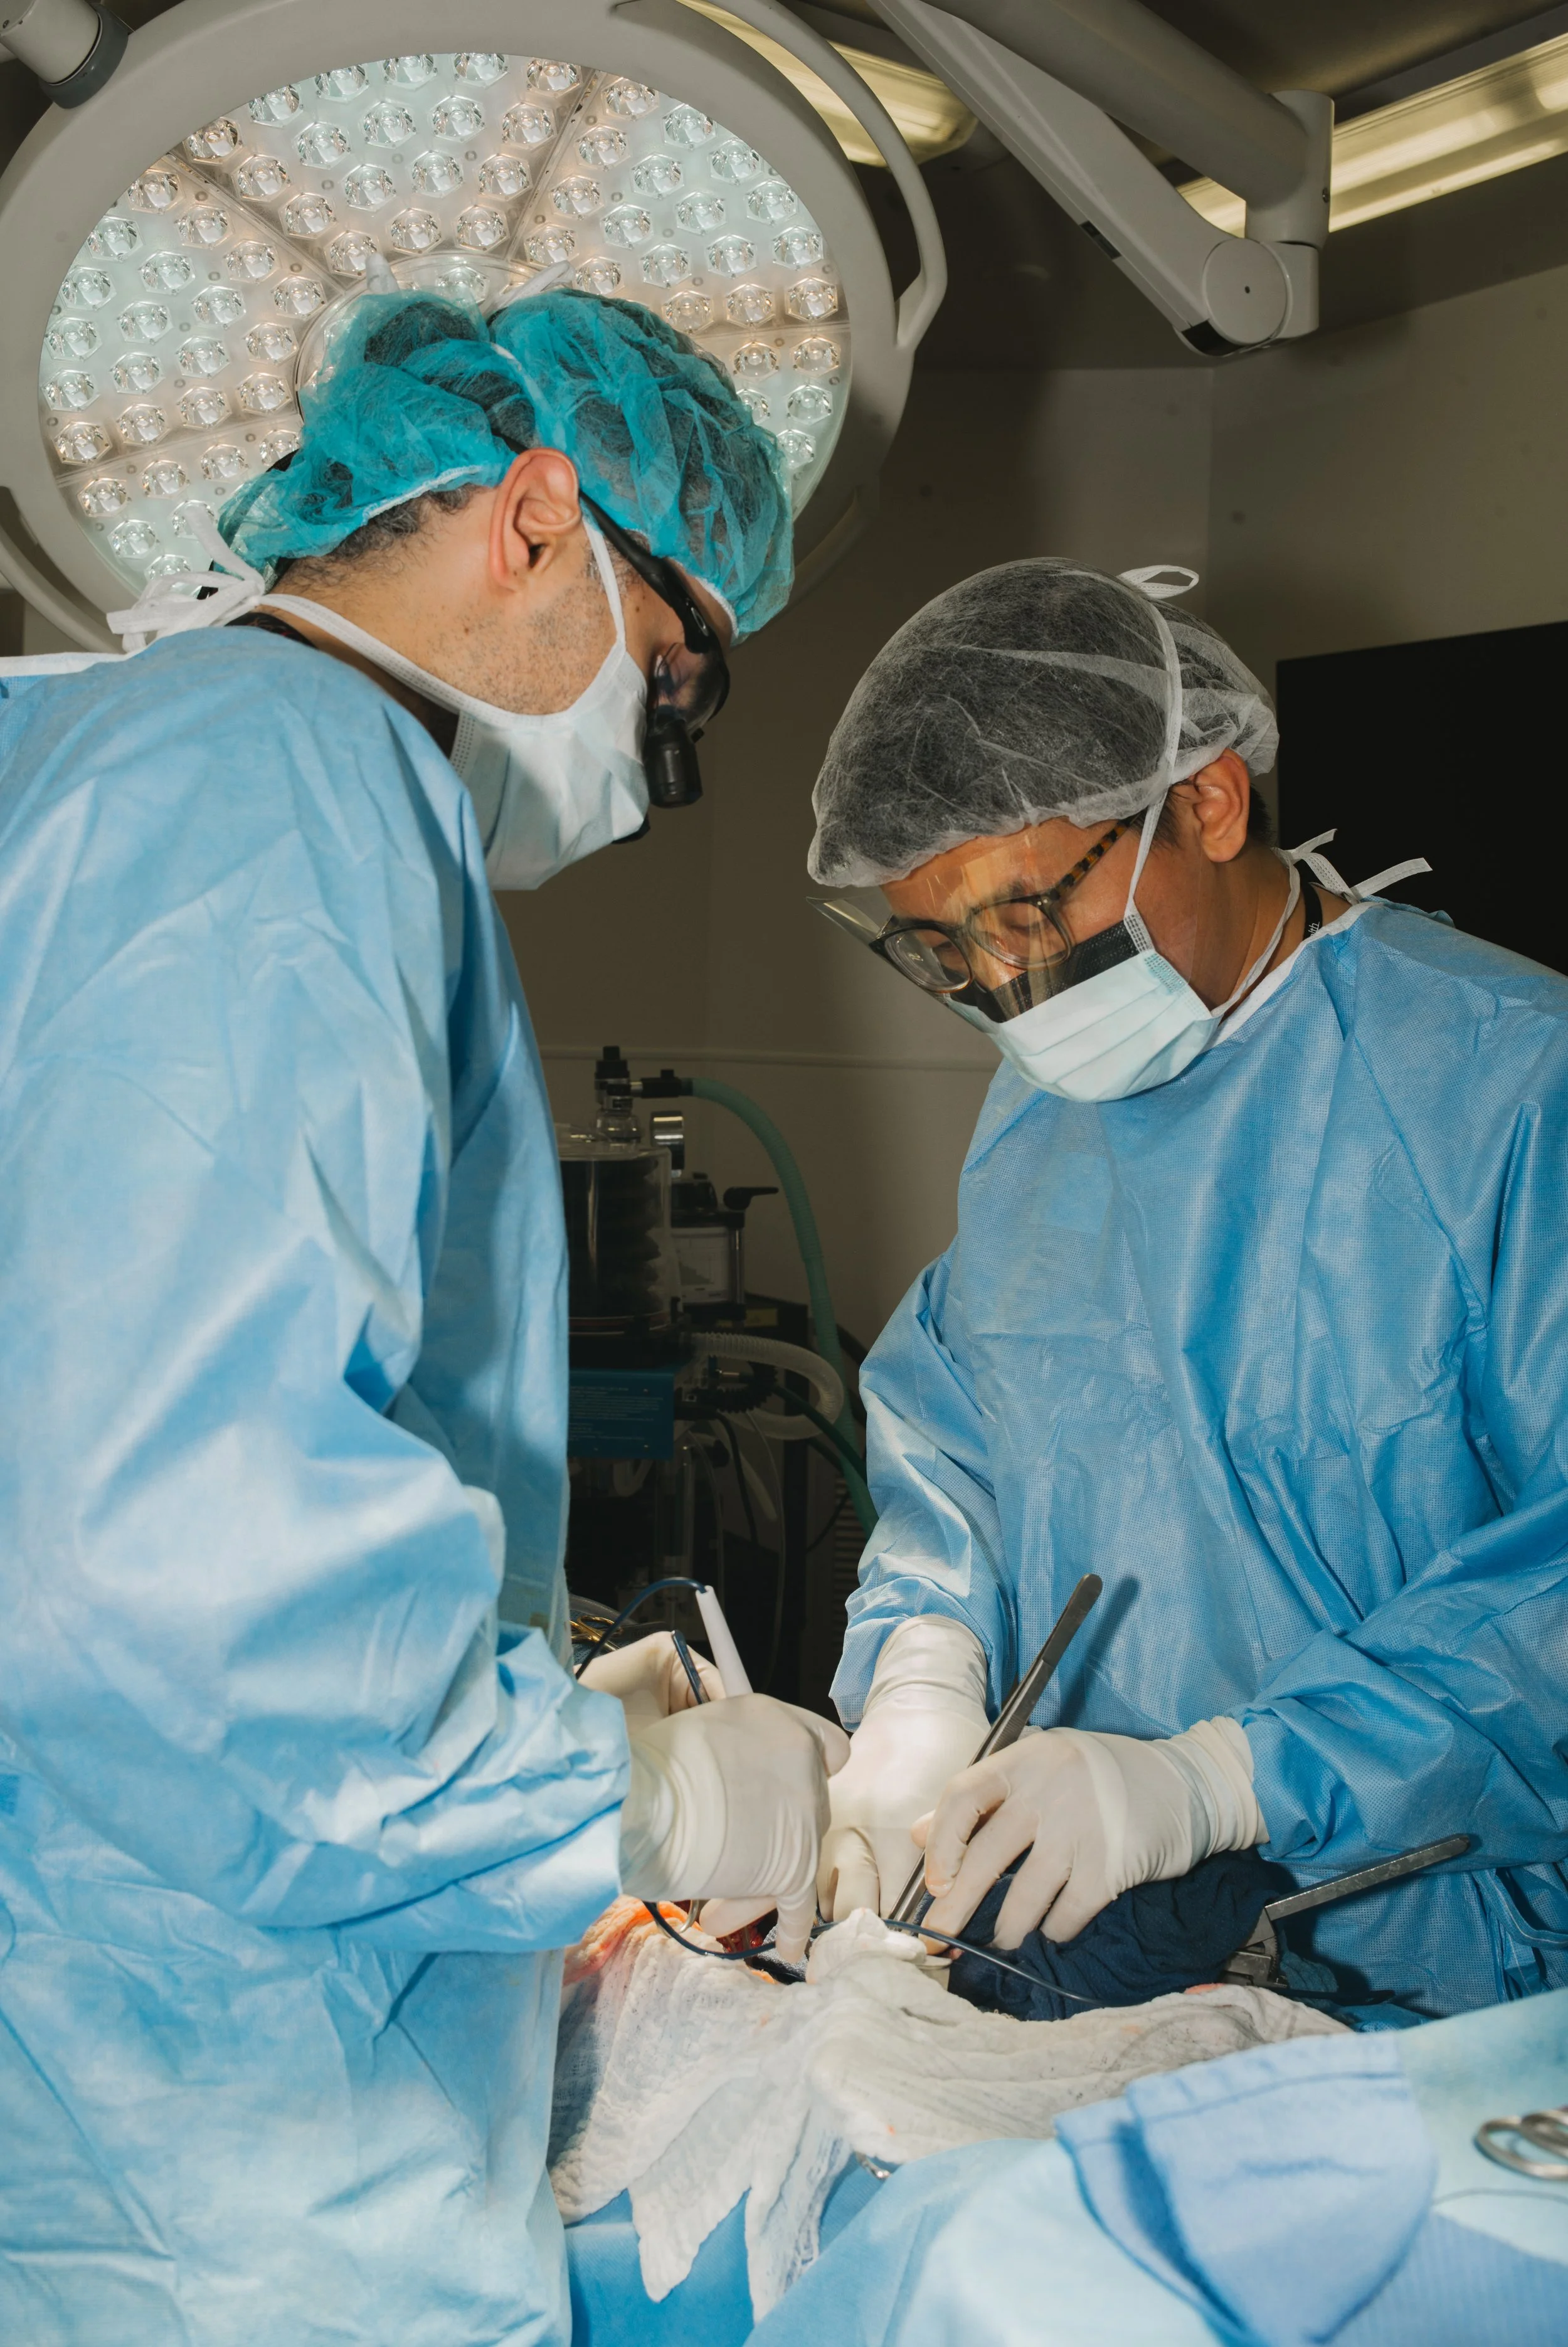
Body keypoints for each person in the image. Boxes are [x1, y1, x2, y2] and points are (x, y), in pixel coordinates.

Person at [0, 284, 845, 2347]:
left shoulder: (96, 755)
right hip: (217, 2155)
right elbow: (167, 1563)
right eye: (674, 673)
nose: (655, 752)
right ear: (536, 521)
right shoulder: (282, 790)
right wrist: (623, 1799)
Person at [808, 556, 1568, 2016]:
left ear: (1208, 802)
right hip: (1088, 1940)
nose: (1004, 985)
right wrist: (923, 1671)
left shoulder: (1508, 1089)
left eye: (1027, 914)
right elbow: (961, 1432)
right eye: (942, 948)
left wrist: (1226, 1777)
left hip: (1441, 1968)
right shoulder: (1046, 1111)